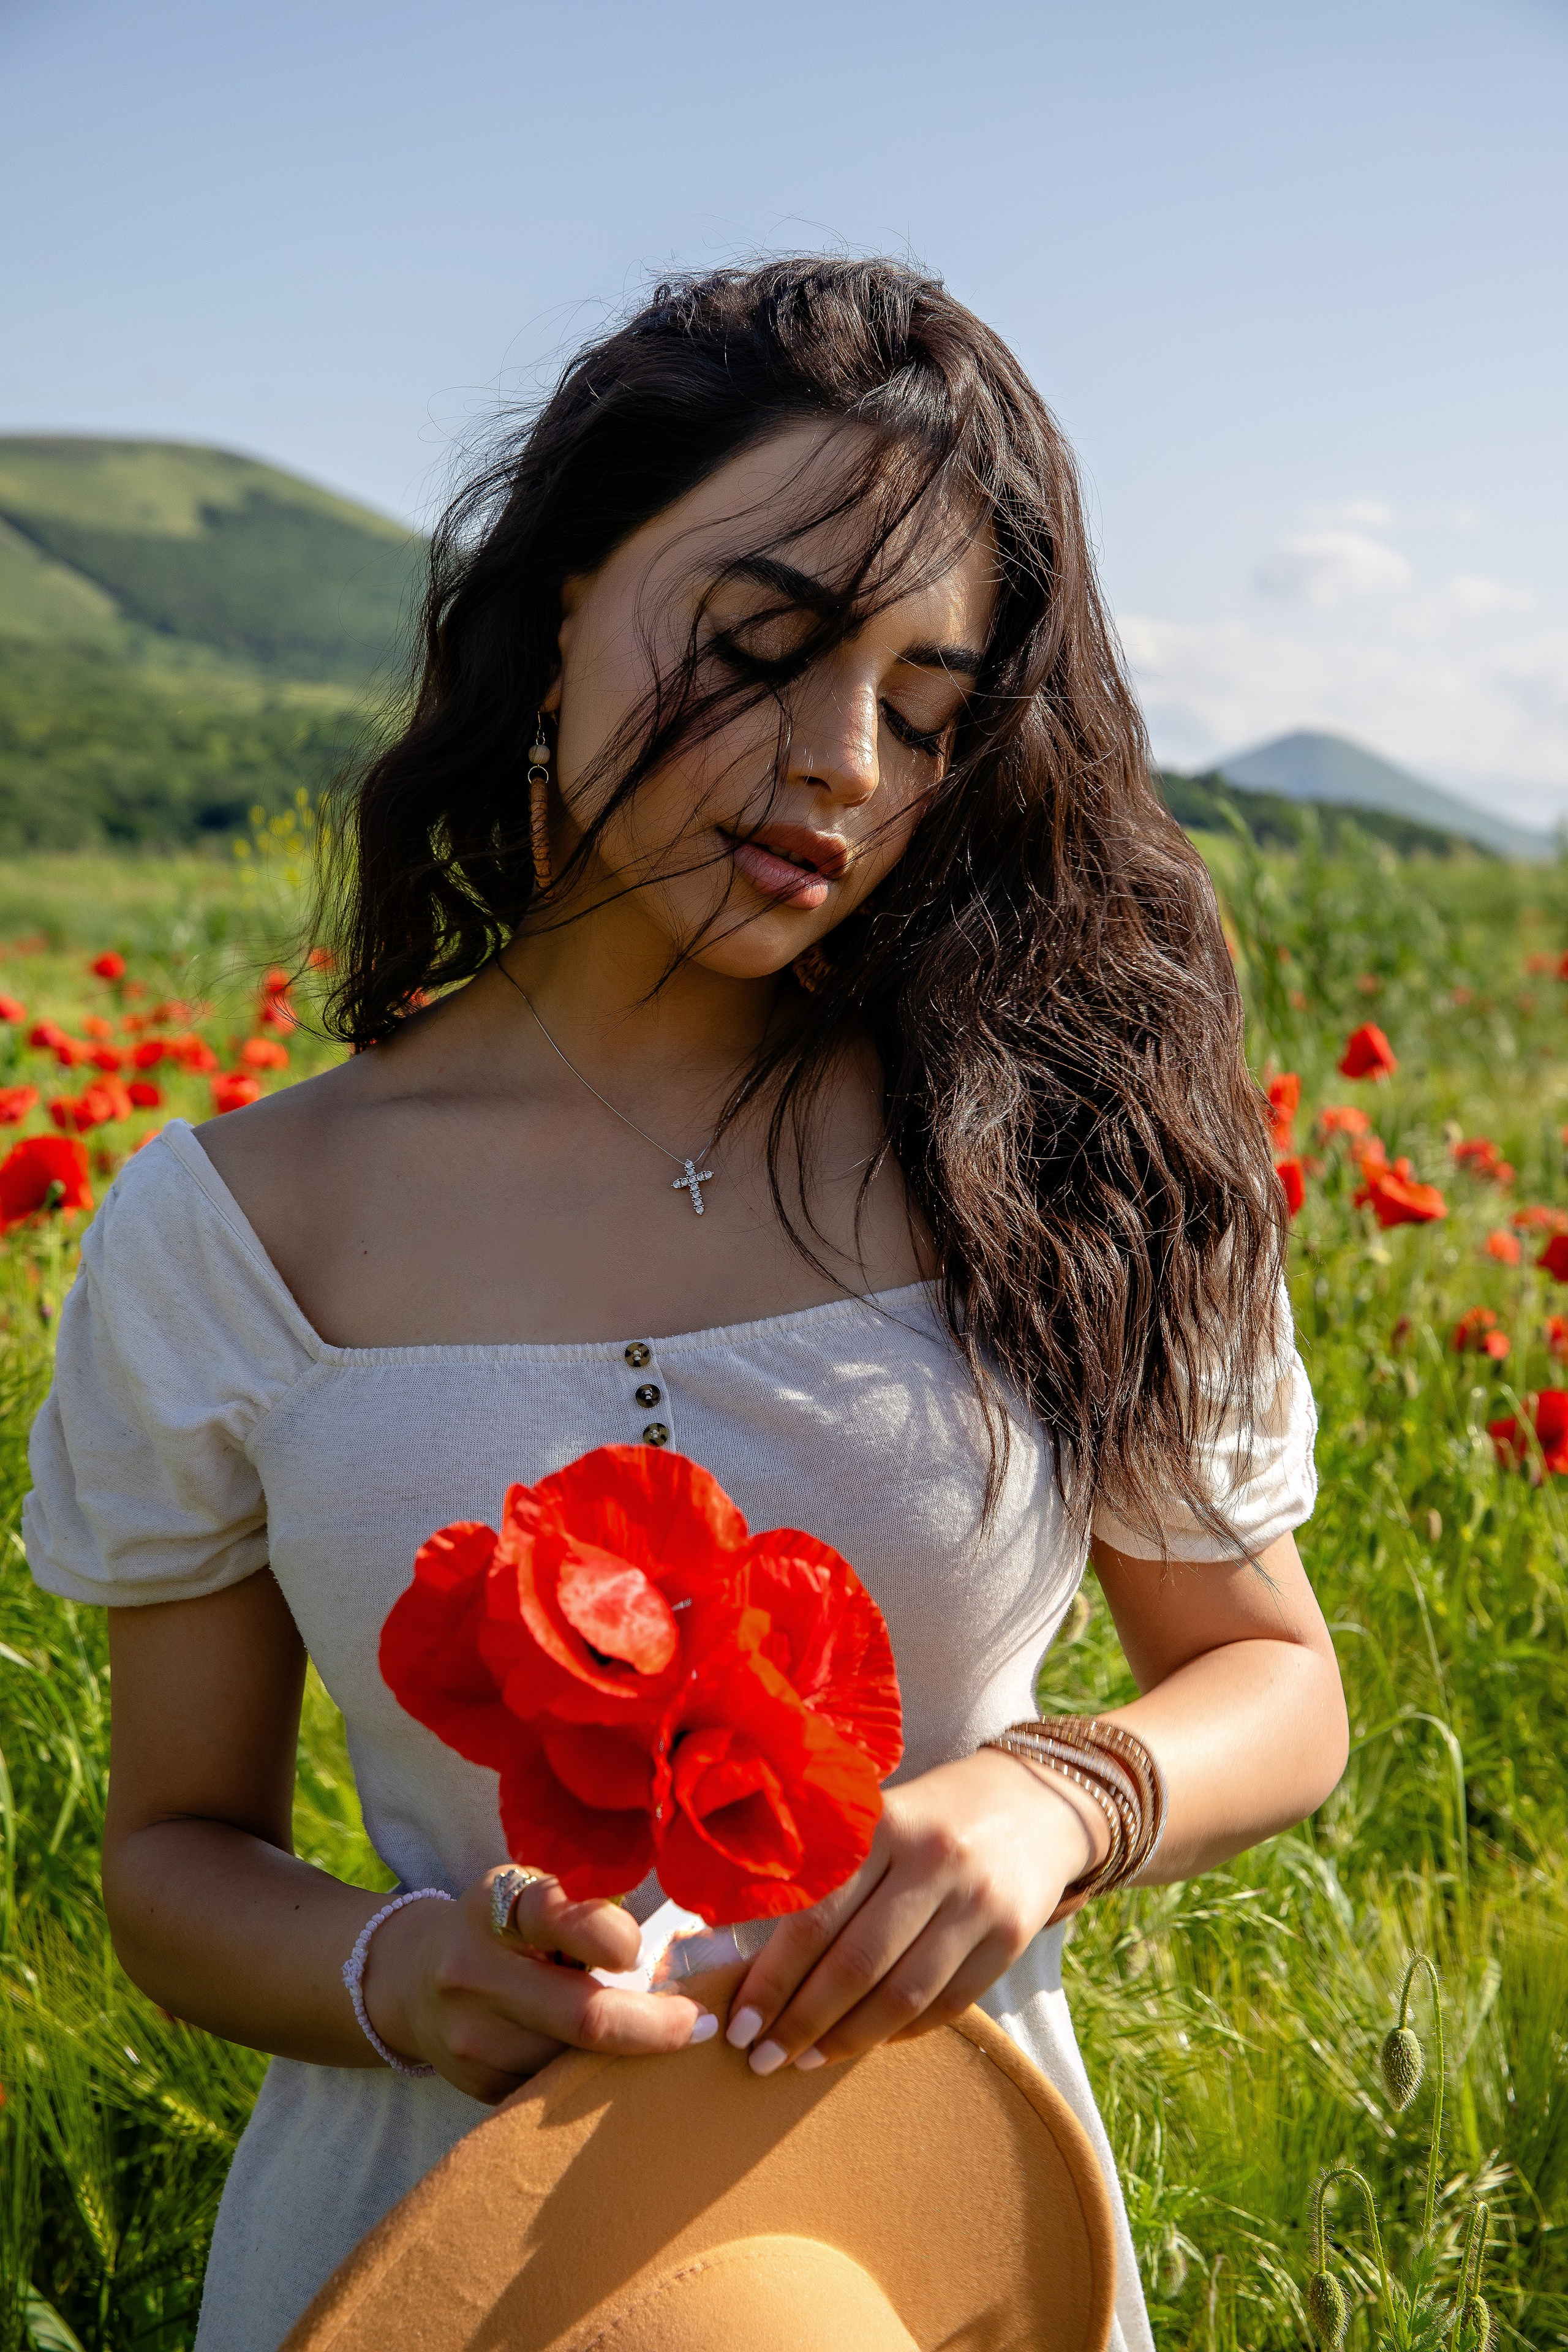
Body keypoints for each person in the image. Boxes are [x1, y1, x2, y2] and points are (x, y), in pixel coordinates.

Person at [24, 257, 1347, 2352]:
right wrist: (402, 1970)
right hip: (421, 2255)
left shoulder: (1053, 1156)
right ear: (560, 600)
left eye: (925, 711)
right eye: (760, 648)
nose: (842, 764)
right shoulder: (239, 1228)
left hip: (928, 2262)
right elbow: (174, 1857)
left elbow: (1277, 1681)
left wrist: (1058, 1798)